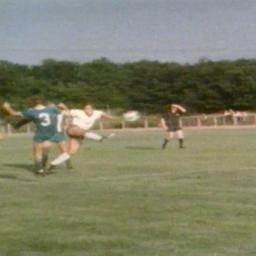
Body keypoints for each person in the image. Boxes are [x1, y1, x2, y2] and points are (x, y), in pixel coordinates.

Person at [2, 96, 68, 175]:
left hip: (40, 133)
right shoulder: (52, 109)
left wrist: (7, 107)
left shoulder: (31, 111)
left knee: (37, 151)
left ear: (32, 103)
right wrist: (64, 107)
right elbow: (67, 113)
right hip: (52, 134)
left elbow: (13, 113)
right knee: (45, 150)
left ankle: (39, 170)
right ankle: (44, 166)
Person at [47, 101, 115, 169]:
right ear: (83, 109)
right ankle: (100, 138)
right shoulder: (78, 112)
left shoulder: (97, 113)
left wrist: (112, 118)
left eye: (89, 108)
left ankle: (53, 164)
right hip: (73, 129)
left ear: (92, 109)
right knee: (82, 131)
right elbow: (67, 113)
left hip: (81, 134)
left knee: (71, 152)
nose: (88, 110)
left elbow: (104, 114)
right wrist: (63, 107)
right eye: (86, 108)